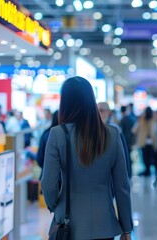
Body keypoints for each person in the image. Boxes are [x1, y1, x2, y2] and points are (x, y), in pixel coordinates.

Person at [41, 77, 132, 240]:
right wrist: (126, 228)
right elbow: (122, 187)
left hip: (68, 225)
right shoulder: (112, 134)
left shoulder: (57, 134)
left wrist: (56, 206)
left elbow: (48, 184)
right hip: (104, 225)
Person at [98, 102, 132, 178]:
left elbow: (123, 154)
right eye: (97, 111)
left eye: (101, 110)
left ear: (108, 112)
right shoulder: (91, 130)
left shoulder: (116, 130)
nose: (99, 113)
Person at [132, 106, 155, 177]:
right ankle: (147, 170)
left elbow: (134, 130)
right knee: (146, 157)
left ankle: (147, 170)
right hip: (147, 142)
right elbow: (134, 130)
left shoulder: (145, 120)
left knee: (146, 157)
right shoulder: (144, 120)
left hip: (147, 142)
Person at [36, 111, 59, 179]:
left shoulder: (46, 134)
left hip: (47, 176)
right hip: (63, 180)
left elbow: (39, 159)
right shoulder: (69, 136)